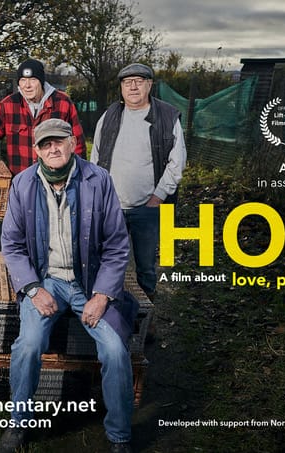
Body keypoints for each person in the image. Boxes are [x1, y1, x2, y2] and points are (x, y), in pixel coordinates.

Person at [0, 119, 134, 453]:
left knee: (116, 351)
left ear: (74, 143)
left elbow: (117, 245)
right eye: (45, 144)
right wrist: (32, 287)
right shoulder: (23, 184)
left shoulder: (97, 180)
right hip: (45, 280)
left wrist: (102, 295)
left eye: (59, 142)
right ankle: (19, 424)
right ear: (36, 151)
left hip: (89, 282)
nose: (53, 149)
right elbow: (12, 246)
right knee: (28, 345)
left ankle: (119, 436)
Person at [91, 63, 187, 300]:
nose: (133, 86)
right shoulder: (110, 115)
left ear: (149, 84)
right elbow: (96, 156)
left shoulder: (167, 116)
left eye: (139, 81)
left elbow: (177, 162)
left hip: (148, 207)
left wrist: (159, 196)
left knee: (145, 266)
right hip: (111, 207)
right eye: (127, 82)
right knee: (109, 263)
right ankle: (111, 311)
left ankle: (147, 322)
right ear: (121, 88)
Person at [0, 58, 86, 175]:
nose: (27, 86)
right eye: (23, 80)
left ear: (41, 81)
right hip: (22, 182)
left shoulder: (62, 103)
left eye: (32, 80)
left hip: (57, 180)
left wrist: (79, 175)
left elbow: (77, 144)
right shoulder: (8, 105)